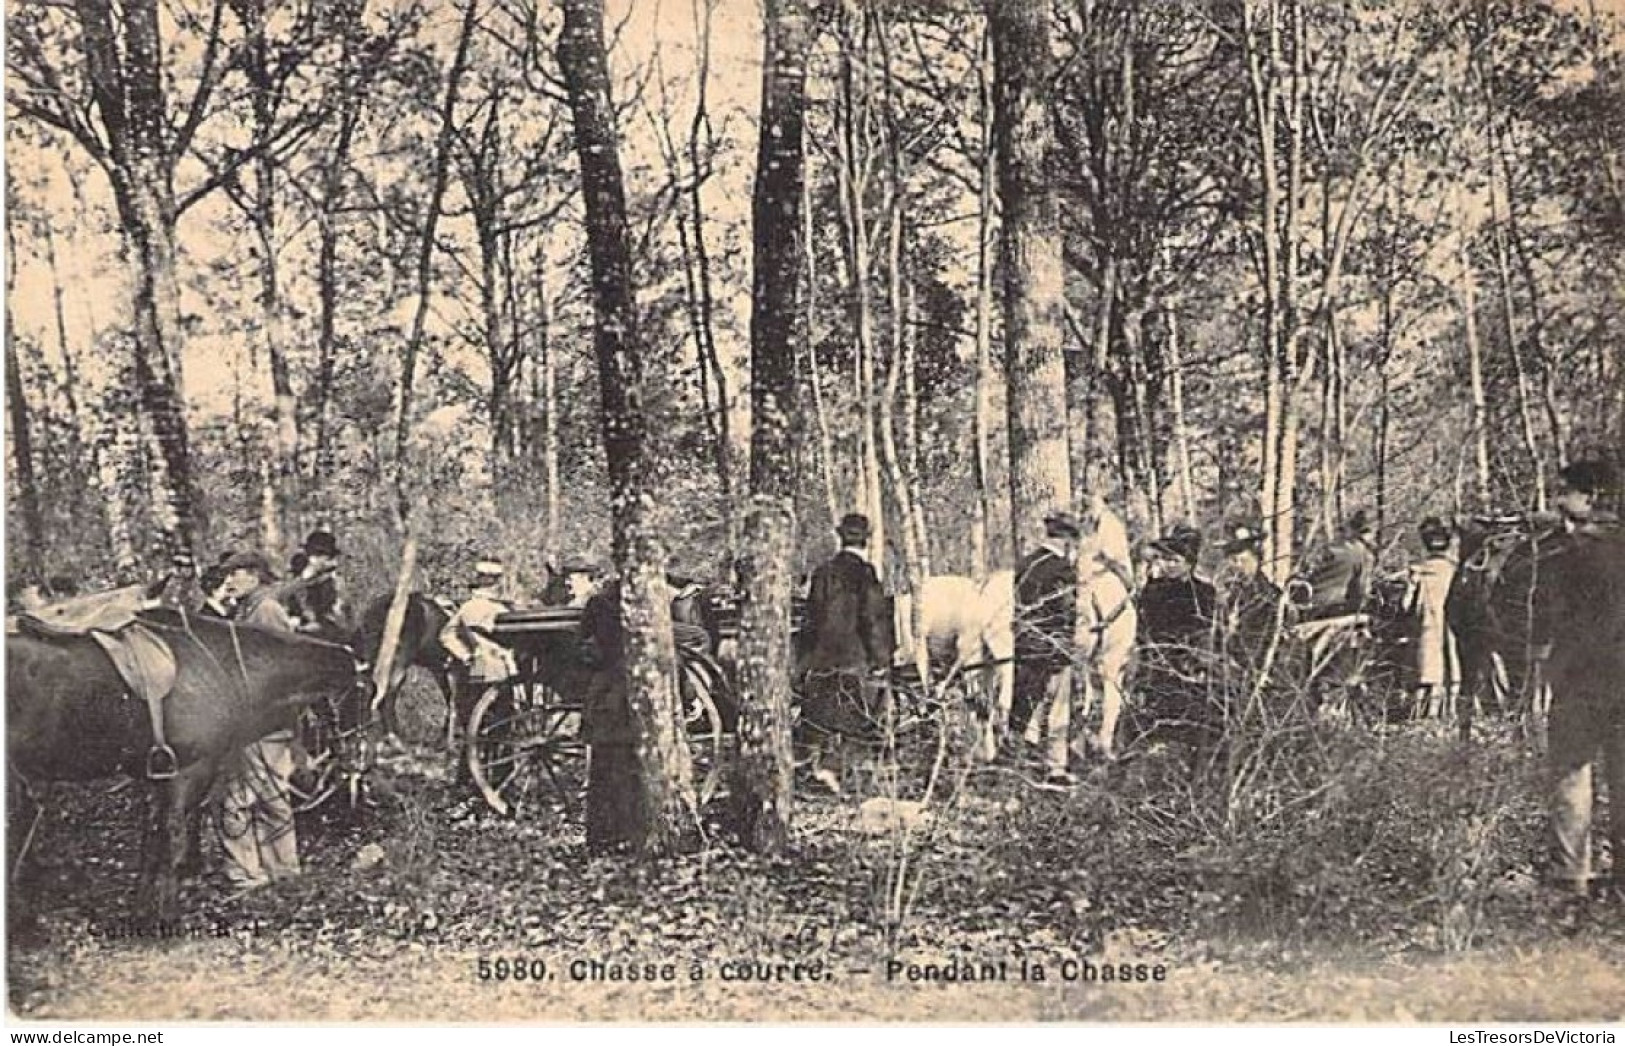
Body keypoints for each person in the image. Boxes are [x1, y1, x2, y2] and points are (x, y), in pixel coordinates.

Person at [1530, 458, 1624, 899]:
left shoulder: (1565, 552)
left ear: (1590, 497)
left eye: (1565, 491)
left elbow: (1544, 616)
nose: (1558, 499)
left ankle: (1570, 882)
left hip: (1582, 680)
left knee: (1571, 776)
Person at [214, 550, 301, 893]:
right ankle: (276, 871)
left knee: (244, 799)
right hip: (256, 721)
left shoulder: (265, 610)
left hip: (264, 721)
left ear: (254, 575)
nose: (229, 581)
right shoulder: (249, 609)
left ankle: (252, 875)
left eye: (235, 574)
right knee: (266, 797)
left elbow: (283, 666)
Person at [797, 513, 893, 793]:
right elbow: (872, 618)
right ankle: (836, 771)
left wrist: (806, 657)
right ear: (866, 540)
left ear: (840, 538)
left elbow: (811, 619)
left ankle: (815, 766)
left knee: (821, 712)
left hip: (822, 656)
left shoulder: (823, 572)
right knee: (858, 713)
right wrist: (880, 658)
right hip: (854, 657)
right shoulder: (866, 574)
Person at [1006, 512, 1081, 787]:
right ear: (1067, 541)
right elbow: (1067, 611)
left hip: (1022, 646)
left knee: (1024, 704)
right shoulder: (1063, 569)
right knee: (1058, 709)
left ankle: (1019, 764)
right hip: (1052, 648)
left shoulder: (1024, 564)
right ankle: (1055, 767)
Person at [1138, 523, 1217, 726]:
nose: (1168, 565)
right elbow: (1143, 626)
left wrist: (1198, 663)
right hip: (1156, 665)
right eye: (1165, 559)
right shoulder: (1153, 591)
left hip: (1190, 667)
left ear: (1189, 563)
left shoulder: (1204, 593)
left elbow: (1208, 632)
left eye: (1175, 560)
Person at [439, 558, 518, 721]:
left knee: (476, 712)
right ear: (497, 582)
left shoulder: (468, 607)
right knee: (502, 712)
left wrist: (466, 656)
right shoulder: (502, 608)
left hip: (478, 666)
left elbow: (446, 636)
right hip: (503, 667)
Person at [1406, 516, 1459, 720]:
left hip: (1428, 624)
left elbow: (1406, 605)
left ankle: (1424, 712)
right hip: (1452, 625)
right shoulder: (1456, 570)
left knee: (1427, 667)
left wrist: (1411, 585)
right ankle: (1448, 710)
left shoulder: (1419, 572)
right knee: (1451, 664)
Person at [1216, 522, 1287, 671]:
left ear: (1257, 559)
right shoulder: (1228, 593)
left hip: (1253, 669)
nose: (1236, 566)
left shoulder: (1270, 598)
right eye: (1232, 560)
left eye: (1242, 560)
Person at [1299, 509, 1378, 620]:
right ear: (1368, 533)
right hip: (1335, 609)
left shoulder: (1328, 547)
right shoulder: (1362, 554)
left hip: (1307, 606)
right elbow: (1360, 592)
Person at [286, 529, 344, 638]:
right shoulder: (300, 577)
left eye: (320, 555)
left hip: (327, 633)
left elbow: (335, 614)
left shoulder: (331, 581)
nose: (314, 560)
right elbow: (290, 600)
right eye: (312, 555)